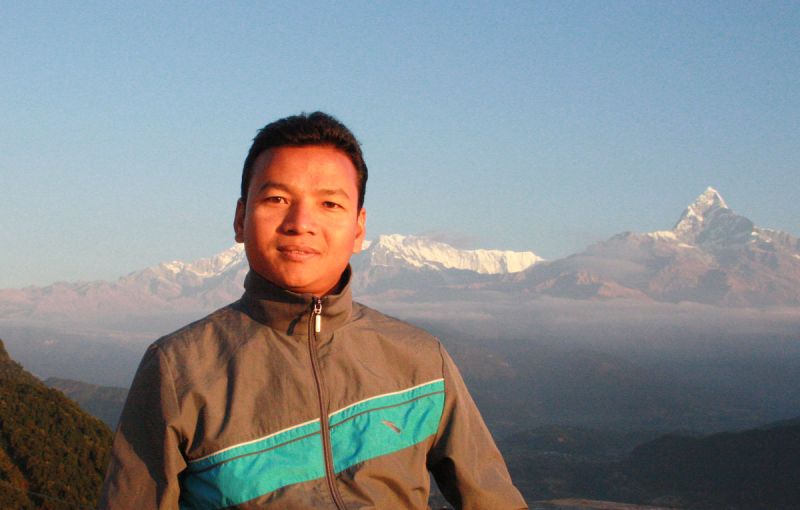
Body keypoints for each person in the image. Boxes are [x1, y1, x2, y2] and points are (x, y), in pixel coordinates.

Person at [99, 112, 527, 509]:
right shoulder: (178, 369)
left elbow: (491, 498)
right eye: (277, 199)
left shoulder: (421, 361)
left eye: (330, 204)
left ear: (358, 229)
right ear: (240, 218)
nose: (300, 223)